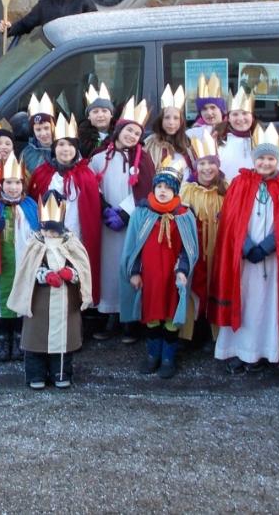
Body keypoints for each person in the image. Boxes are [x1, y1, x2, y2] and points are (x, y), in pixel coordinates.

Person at [211, 123, 279, 374]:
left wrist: (268, 246)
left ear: (277, 161)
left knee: (264, 305)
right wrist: (247, 246)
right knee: (244, 300)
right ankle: (238, 350)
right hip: (244, 258)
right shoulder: (239, 183)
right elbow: (230, 219)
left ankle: (261, 351)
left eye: (271, 158)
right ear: (254, 159)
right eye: (261, 158)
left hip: (270, 260)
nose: (266, 163)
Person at [120, 157, 199, 379]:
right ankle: (153, 355)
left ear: (175, 190)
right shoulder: (142, 213)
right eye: (159, 186)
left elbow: (189, 248)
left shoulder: (184, 215)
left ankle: (168, 358)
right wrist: (134, 272)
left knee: (171, 317)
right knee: (152, 315)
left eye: (168, 187)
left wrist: (183, 270)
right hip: (150, 277)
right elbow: (134, 246)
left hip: (172, 277)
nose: (163, 191)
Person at [8, 193, 94, 389]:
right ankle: (36, 374)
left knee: (64, 342)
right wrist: (44, 275)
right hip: (40, 302)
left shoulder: (71, 243)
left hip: (66, 302)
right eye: (48, 230)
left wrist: (70, 273)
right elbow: (27, 270)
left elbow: (82, 268)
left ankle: (61, 373)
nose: (51, 235)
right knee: (36, 339)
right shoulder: (35, 243)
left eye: (54, 231)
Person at [88, 99, 154, 342]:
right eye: (129, 130)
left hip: (131, 223)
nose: (132, 135)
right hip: (106, 224)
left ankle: (129, 319)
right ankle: (109, 316)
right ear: (119, 130)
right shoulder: (99, 157)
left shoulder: (144, 160)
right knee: (107, 269)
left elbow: (147, 189)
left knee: (129, 267)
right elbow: (92, 185)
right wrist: (105, 209)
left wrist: (126, 212)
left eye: (137, 133)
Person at [28, 114, 103, 304]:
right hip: (48, 235)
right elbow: (31, 204)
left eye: (70, 144)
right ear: (54, 148)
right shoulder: (42, 173)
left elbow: (91, 210)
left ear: (76, 148)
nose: (66, 149)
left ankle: (80, 305)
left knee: (74, 270)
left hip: (77, 234)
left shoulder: (86, 174)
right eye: (61, 144)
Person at [0, 153, 39, 361]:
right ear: (1, 184)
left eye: (17, 183)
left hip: (25, 262)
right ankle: (2, 340)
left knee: (24, 300)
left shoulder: (31, 205)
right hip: (1, 263)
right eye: (9, 183)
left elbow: (38, 232)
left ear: (23, 184)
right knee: (2, 302)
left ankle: (21, 340)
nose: (13, 187)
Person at [179, 134, 227, 347]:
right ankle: (190, 331)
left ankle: (213, 330)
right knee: (191, 287)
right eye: (203, 163)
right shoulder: (188, 190)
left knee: (216, 286)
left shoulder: (227, 189)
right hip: (193, 249)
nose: (207, 168)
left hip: (218, 249)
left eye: (212, 163)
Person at [144, 85, 194, 168]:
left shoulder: (188, 143)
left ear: (181, 122)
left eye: (176, 118)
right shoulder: (151, 143)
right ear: (161, 120)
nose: (171, 122)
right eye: (167, 117)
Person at [216, 89, 257, 181]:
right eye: (235, 114)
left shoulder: (262, 140)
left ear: (252, 117)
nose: (240, 118)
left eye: (245, 113)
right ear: (229, 118)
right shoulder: (220, 141)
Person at [20, 93, 56, 175]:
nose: (43, 133)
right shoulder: (27, 153)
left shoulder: (66, 148)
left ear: (53, 127)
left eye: (46, 128)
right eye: (38, 130)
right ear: (33, 131)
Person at [186, 73, 227, 141]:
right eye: (204, 109)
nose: (209, 113)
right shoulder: (193, 134)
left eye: (213, 107)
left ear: (221, 109)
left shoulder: (231, 131)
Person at [77, 84, 114, 158]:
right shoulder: (80, 138)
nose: (100, 115)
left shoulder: (119, 135)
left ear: (111, 115)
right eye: (95, 112)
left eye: (104, 111)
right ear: (89, 117)